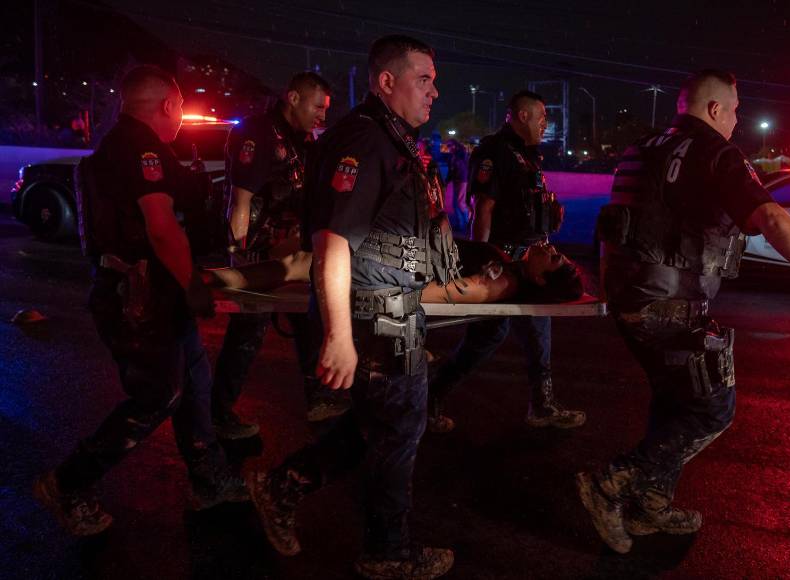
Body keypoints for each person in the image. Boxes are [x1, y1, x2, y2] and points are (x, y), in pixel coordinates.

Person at [576, 69, 790, 554]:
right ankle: (612, 483)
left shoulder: (642, 148)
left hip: (630, 299)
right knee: (711, 408)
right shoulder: (715, 153)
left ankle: (651, 502)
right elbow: (771, 217)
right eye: (734, 111)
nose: (736, 121)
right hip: (671, 306)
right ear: (714, 109)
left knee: (674, 402)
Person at [246, 35, 456, 579]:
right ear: (386, 81)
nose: (434, 92)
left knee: (377, 425)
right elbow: (333, 243)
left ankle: (283, 486)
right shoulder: (366, 142)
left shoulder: (387, 139)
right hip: (374, 316)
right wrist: (338, 336)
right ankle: (388, 551)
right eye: (423, 80)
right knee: (400, 430)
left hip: (389, 310)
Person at [33, 65, 247, 537]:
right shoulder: (141, 148)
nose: (180, 117)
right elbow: (161, 227)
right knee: (158, 395)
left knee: (194, 380)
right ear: (169, 105)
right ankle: (69, 483)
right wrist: (193, 284)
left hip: (151, 293)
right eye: (180, 107)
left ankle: (209, 479)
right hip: (139, 299)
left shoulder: (121, 145)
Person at [427, 90, 584, 434]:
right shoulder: (495, 151)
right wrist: (480, 258)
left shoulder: (528, 155)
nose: (545, 123)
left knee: (537, 337)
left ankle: (542, 405)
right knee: (485, 339)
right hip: (504, 263)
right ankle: (430, 396)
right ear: (522, 116)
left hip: (530, 260)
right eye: (542, 117)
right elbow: (484, 209)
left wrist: (547, 216)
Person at [213, 71, 347, 440]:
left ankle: (320, 397)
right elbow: (240, 202)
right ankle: (218, 415)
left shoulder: (303, 141)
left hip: (291, 251)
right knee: (247, 333)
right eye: (318, 107)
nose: (322, 116)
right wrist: (238, 258)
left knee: (310, 317)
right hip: (259, 254)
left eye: (325, 109)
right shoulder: (258, 133)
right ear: (293, 98)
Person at [204, 239, 585, 305]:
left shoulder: (499, 284)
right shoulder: (507, 266)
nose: (553, 250)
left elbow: (440, 293)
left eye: (555, 260)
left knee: (300, 263)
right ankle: (215, 278)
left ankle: (208, 281)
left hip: (397, 267)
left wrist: (375, 288)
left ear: (540, 279)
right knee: (298, 253)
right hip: (404, 253)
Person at [445, 139, 470, 230]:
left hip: (462, 181)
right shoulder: (453, 156)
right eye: (448, 146)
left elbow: (462, 169)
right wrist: (447, 180)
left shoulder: (461, 154)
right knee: (455, 203)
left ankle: (467, 222)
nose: (449, 148)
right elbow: (451, 170)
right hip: (457, 181)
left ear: (455, 145)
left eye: (450, 146)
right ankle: (460, 223)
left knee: (460, 203)